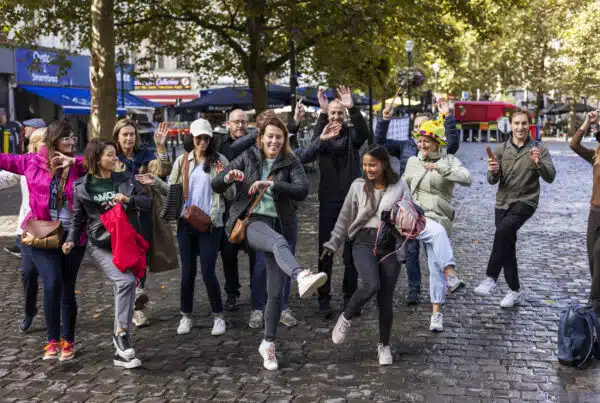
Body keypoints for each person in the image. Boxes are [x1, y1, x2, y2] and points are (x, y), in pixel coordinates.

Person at [212, 116, 327, 370]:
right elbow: (216, 183)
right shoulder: (248, 156)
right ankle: (301, 275)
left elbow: (302, 190)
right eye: (270, 136)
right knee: (277, 241)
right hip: (252, 221)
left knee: (275, 292)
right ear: (261, 138)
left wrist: (273, 184)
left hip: (282, 224)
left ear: (284, 139)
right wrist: (228, 177)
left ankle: (268, 343)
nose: (274, 141)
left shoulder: (290, 161)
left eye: (279, 137)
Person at [0, 120, 86, 361]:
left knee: (67, 290)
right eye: (66, 138)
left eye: (73, 138)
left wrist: (74, 162)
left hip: (73, 236)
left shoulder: (79, 165)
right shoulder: (32, 162)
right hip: (42, 234)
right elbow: (4, 160)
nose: (72, 142)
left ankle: (68, 340)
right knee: (51, 284)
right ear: (54, 140)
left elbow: (105, 162)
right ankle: (51, 340)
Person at [140, 119, 234, 336]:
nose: (202, 142)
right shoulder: (183, 161)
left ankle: (218, 316)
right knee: (187, 273)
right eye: (199, 138)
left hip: (211, 223)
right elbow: (171, 191)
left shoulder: (220, 161)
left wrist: (225, 179)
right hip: (186, 222)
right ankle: (186, 315)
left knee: (208, 271)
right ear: (192, 138)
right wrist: (155, 181)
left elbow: (230, 196)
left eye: (206, 138)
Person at [321, 144, 412, 365]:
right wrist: (333, 243)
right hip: (363, 240)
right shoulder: (358, 186)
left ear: (384, 164)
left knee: (385, 298)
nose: (368, 169)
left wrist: (405, 221)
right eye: (365, 165)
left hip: (389, 243)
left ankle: (384, 345)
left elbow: (410, 213)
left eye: (372, 164)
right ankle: (346, 316)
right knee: (371, 284)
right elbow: (344, 218)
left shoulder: (400, 185)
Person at [64, 139, 151, 369]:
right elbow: (78, 219)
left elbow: (147, 202)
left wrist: (128, 200)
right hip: (100, 244)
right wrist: (71, 240)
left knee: (126, 288)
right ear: (97, 158)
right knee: (125, 282)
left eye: (115, 154)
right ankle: (121, 336)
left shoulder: (125, 178)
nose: (115, 158)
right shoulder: (82, 186)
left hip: (125, 242)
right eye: (110, 155)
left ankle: (122, 350)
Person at [376, 101, 460, 304]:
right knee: (411, 250)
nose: (418, 132)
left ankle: (440, 285)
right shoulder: (405, 146)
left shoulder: (440, 148)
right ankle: (414, 289)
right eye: (415, 127)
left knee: (434, 250)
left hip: (433, 208)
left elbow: (453, 144)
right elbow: (380, 143)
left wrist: (448, 118)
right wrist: (384, 120)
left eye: (422, 127)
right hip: (410, 208)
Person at [297, 86, 368, 317]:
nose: (336, 116)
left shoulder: (351, 136)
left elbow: (363, 133)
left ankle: (349, 297)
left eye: (340, 113)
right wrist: (322, 113)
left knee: (350, 253)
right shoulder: (323, 135)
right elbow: (311, 149)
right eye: (333, 113)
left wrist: (352, 108)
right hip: (328, 201)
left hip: (352, 203)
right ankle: (324, 297)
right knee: (326, 251)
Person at [474, 109, 556, 307]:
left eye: (524, 123)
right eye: (517, 123)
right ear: (510, 125)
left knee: (503, 231)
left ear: (529, 125)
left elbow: (551, 177)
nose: (520, 127)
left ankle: (490, 278)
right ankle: (514, 291)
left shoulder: (539, 148)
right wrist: (493, 171)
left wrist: (538, 163)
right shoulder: (501, 149)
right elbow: (492, 180)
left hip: (526, 201)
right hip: (502, 202)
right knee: (507, 244)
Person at [401, 119, 470, 305]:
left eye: (427, 141)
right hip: (417, 217)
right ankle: (450, 273)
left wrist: (441, 169)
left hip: (439, 216)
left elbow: (467, 179)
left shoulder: (449, 160)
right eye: (420, 141)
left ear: (438, 142)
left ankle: (436, 311)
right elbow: (402, 186)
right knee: (436, 234)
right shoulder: (413, 161)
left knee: (434, 265)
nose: (422, 145)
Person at [112, 118, 172, 328]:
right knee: (123, 260)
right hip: (120, 215)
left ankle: (136, 308)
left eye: (132, 134)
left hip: (143, 212)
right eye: (125, 134)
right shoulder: (112, 156)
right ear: (117, 137)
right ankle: (126, 305)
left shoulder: (144, 156)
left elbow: (162, 169)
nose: (129, 138)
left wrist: (161, 146)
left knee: (141, 260)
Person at [0, 128, 46, 332]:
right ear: (34, 145)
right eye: (43, 141)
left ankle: (56, 314)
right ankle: (29, 310)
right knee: (27, 273)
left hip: (55, 228)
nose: (47, 145)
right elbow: (4, 179)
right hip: (27, 229)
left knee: (56, 278)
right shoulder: (25, 164)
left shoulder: (60, 164)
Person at [215, 109, 257, 311]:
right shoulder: (220, 144)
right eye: (236, 122)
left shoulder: (254, 142)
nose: (240, 125)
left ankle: (257, 293)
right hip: (230, 206)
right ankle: (232, 292)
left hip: (253, 204)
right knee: (228, 253)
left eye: (243, 122)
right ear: (228, 124)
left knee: (255, 253)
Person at [3, 118, 47, 258]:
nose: (24, 129)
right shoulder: (27, 160)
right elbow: (9, 174)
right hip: (29, 221)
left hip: (46, 223)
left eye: (27, 127)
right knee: (28, 266)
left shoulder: (60, 163)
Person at [569, 111, 600, 314]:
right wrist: (587, 122)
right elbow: (574, 145)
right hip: (595, 213)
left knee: (599, 252)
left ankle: (594, 301)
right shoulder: (596, 154)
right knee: (592, 258)